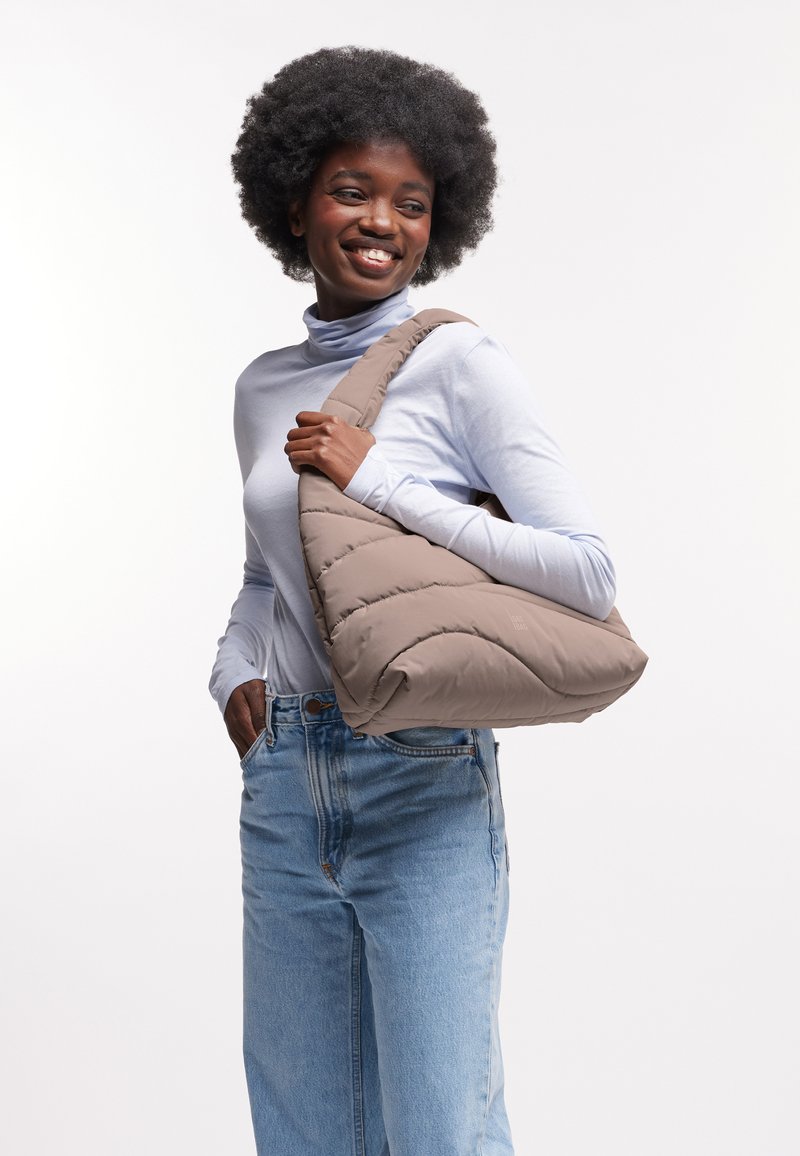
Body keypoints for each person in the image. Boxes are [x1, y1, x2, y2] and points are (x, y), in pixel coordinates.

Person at [209, 45, 617, 1156]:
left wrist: (377, 477)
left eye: (412, 202)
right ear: (296, 201)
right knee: (303, 1130)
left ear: (440, 223)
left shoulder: (460, 364)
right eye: (352, 190)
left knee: (441, 1128)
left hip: (421, 774)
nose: (380, 222)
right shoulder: (259, 388)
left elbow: (586, 570)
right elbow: (266, 572)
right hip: (285, 779)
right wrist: (232, 671)